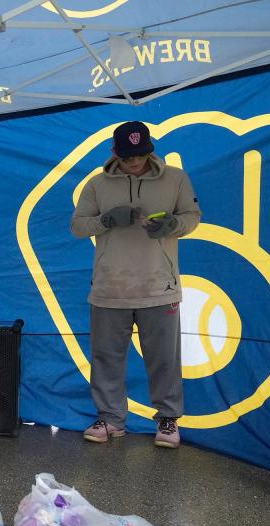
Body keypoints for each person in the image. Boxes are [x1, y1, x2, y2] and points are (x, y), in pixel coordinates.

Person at [71, 120, 201, 448]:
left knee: (164, 359)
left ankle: (168, 420)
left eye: (141, 154)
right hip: (109, 287)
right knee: (105, 357)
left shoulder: (176, 179)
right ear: (115, 152)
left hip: (159, 287)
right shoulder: (97, 184)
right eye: (128, 156)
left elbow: (192, 216)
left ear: (150, 148)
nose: (135, 161)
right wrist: (105, 220)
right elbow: (77, 226)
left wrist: (172, 224)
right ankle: (111, 419)